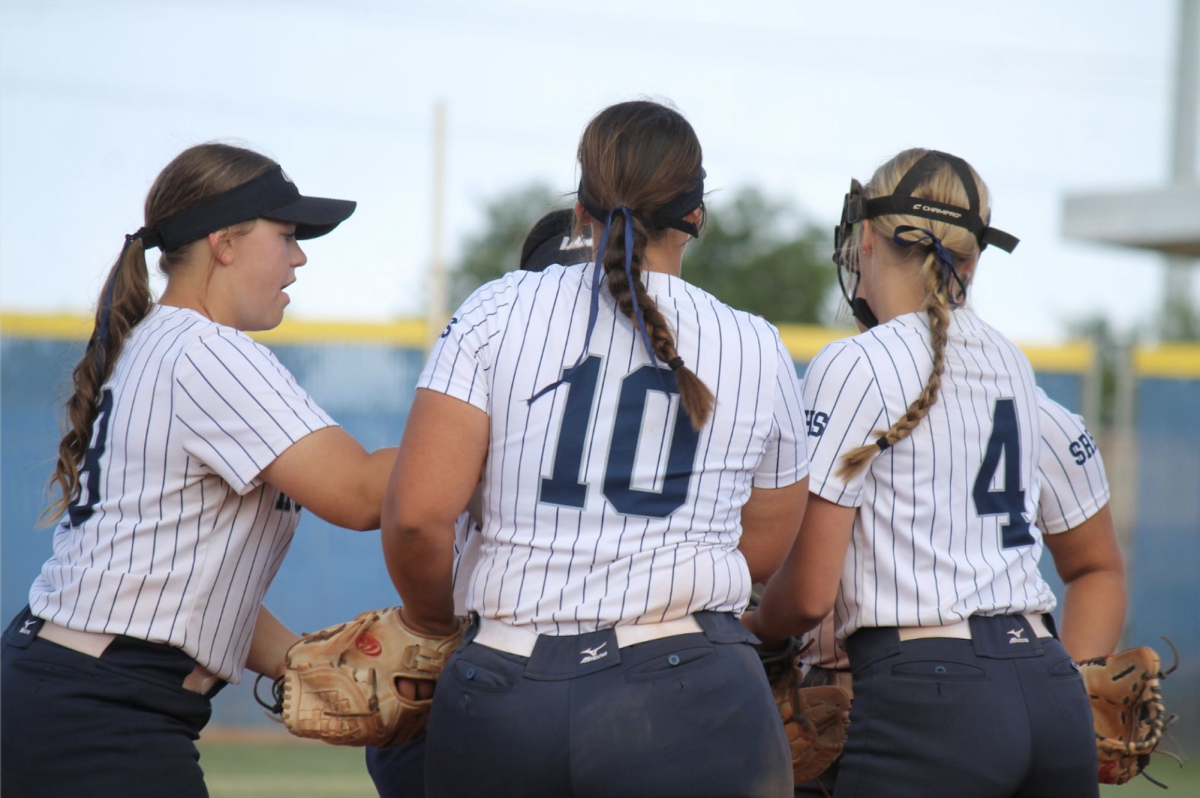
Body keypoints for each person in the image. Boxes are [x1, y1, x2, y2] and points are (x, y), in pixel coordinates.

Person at [381, 99, 810, 798]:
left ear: (580, 205)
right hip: (691, 685)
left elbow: (416, 516)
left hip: (504, 686)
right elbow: (761, 546)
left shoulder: (497, 308)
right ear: (695, 215)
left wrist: (433, 622)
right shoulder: (756, 343)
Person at [0, 143, 398, 798]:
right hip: (95, 706)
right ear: (224, 242)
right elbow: (358, 494)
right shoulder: (207, 351)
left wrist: (297, 663)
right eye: (288, 235)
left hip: (72, 686)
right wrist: (493, 440)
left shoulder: (157, 341)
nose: (299, 258)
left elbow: (177, 581)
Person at [746, 148, 1126, 798]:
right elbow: (1097, 565)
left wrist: (749, 638)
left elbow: (809, 596)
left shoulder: (855, 364)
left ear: (864, 237)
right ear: (972, 260)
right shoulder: (1012, 363)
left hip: (931, 699)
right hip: (1047, 687)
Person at [791, 386, 1122, 797]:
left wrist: (1075, 690)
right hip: (833, 702)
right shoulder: (832, 400)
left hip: (909, 696)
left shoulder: (1038, 415)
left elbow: (1095, 566)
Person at [364, 209, 592, 798]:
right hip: (647, 681)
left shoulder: (485, 355)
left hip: (490, 667)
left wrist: (429, 627)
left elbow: (412, 519)